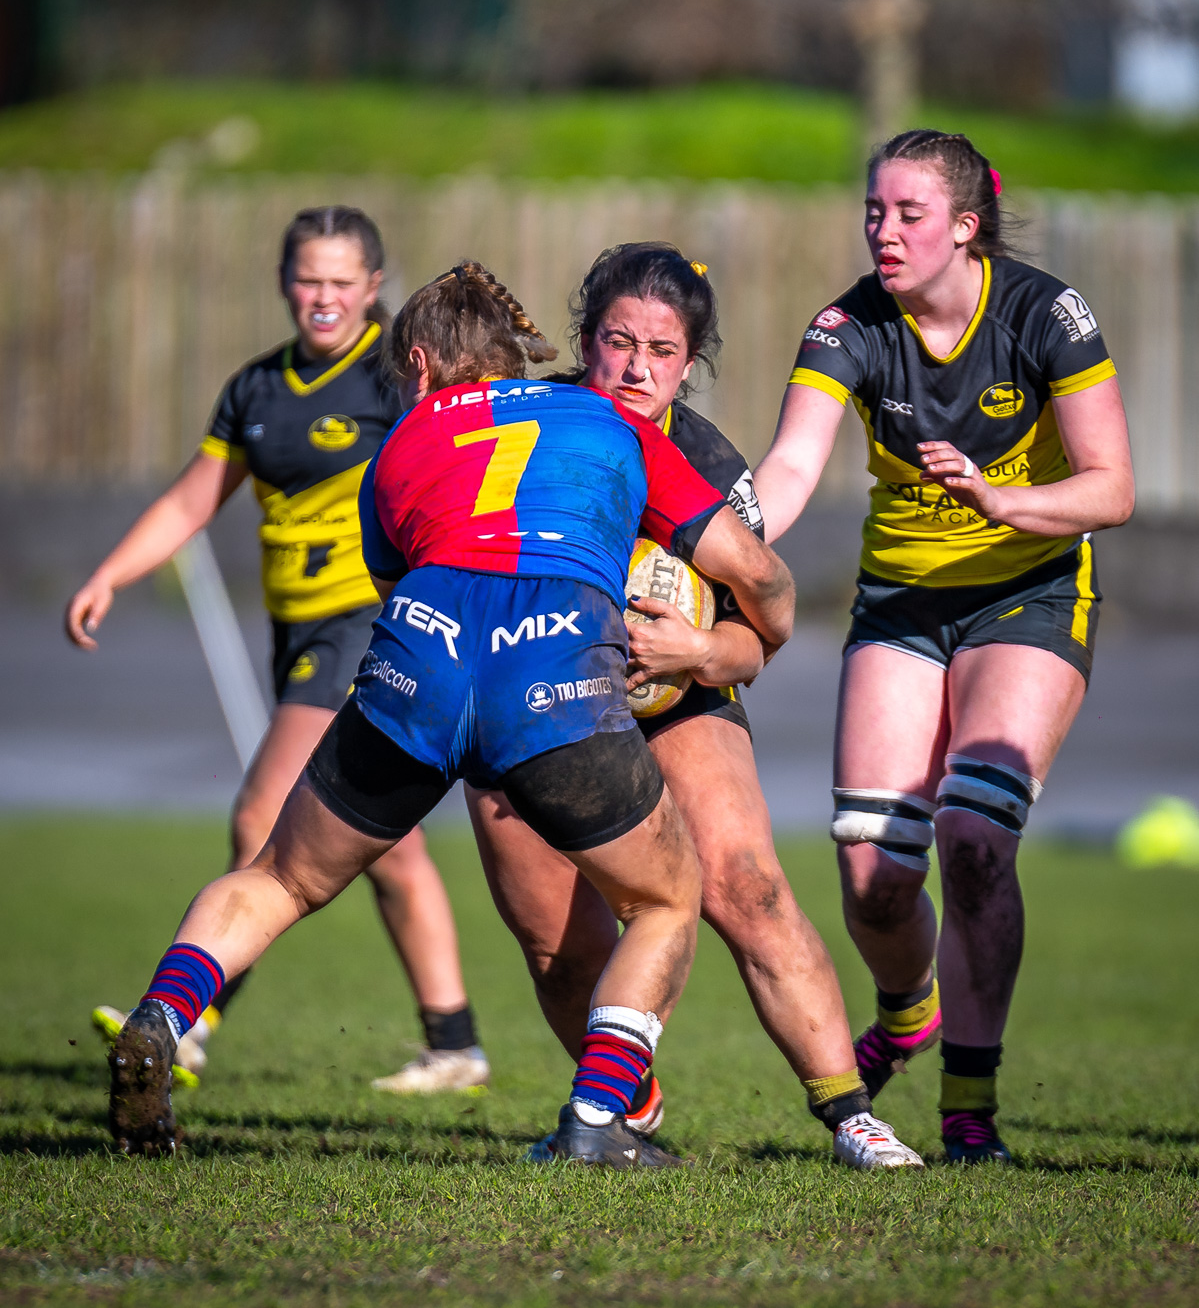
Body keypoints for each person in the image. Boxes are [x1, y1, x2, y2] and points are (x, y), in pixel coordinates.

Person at [105, 259, 796, 1165]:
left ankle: (161, 1017)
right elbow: (755, 571)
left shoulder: (395, 449)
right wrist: (759, 637)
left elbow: (398, 580)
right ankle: (596, 1122)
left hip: (418, 660)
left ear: (422, 367)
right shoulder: (610, 422)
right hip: (551, 673)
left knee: (278, 876)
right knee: (666, 898)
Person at [468, 244, 923, 1170]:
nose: (636, 367)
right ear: (584, 339)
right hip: (527, 700)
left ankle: (851, 1117)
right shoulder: (529, 424)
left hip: (679, 699)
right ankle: (622, 1104)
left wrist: (699, 649)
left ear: (690, 360)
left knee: (745, 886)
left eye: (662, 350)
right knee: (552, 934)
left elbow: (762, 634)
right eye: (616, 340)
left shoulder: (708, 462)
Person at [753, 130, 1135, 1164]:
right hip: (902, 604)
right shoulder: (845, 328)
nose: (881, 231)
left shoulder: (1043, 315)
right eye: (872, 211)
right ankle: (905, 1007)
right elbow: (789, 468)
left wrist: (1000, 498)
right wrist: (716, 535)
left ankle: (969, 1113)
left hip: (1030, 593)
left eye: (906, 214)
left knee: (971, 842)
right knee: (873, 870)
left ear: (964, 227)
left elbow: (1111, 487)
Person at [67, 206, 489, 1095]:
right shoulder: (255, 389)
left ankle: (185, 1019)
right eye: (308, 279)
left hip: (365, 628)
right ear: (282, 281)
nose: (324, 297)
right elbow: (192, 503)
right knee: (385, 843)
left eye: (342, 281)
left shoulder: (395, 378)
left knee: (263, 816)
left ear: (374, 287)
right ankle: (454, 1045)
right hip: (294, 636)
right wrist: (111, 573)